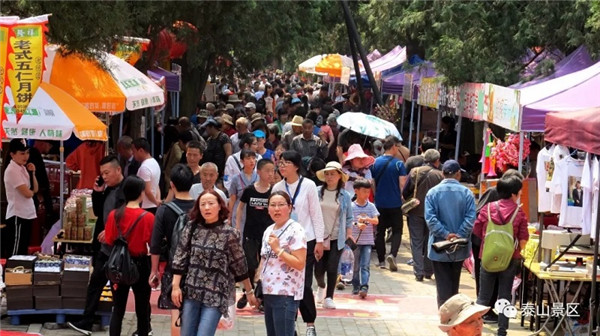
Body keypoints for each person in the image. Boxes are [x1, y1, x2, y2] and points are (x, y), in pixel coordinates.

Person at [171, 190, 257, 336]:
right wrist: (175, 286)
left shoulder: (230, 234)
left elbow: (240, 265)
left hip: (216, 295)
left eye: (211, 203)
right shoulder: (191, 228)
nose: (207, 208)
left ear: (219, 206)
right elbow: (180, 256)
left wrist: (249, 291)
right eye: (202, 204)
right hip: (192, 292)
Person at [68, 155, 127, 336]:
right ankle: (87, 321)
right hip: (104, 246)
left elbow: (126, 217)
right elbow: (98, 212)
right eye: (102, 173)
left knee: (119, 288)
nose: (105, 176)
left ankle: (140, 326)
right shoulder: (108, 189)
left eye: (107, 172)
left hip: (119, 247)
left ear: (118, 170)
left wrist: (111, 232)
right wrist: (97, 192)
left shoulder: (127, 189)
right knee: (96, 283)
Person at [272, 150, 324, 336]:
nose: (282, 165)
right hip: (284, 243)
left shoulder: (309, 185)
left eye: (286, 162)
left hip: (306, 241)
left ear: (296, 166)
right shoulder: (277, 186)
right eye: (280, 162)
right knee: (287, 285)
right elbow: (273, 215)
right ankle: (290, 324)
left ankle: (310, 324)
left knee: (304, 284)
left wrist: (319, 241)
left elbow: (316, 214)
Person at [473, 176, 529, 336]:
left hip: (487, 256)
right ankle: (502, 331)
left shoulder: (488, 208)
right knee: (504, 296)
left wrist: (490, 243)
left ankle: (475, 329)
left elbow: (477, 229)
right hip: (510, 259)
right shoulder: (519, 212)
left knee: (483, 297)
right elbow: (524, 239)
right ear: (515, 193)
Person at [104, 176, 155, 336]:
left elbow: (109, 239)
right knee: (142, 309)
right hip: (140, 265)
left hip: (117, 264)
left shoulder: (114, 215)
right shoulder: (148, 217)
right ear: (141, 193)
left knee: (118, 309)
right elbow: (151, 243)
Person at [149, 164, 196, 336]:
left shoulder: (163, 210)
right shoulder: (202, 208)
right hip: (198, 269)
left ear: (172, 185)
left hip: (173, 266)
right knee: (195, 312)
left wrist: (154, 271)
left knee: (176, 311)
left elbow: (155, 244)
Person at [425, 160, 476, 307]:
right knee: (454, 283)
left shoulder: (432, 193)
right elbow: (470, 218)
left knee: (442, 284)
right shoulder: (467, 193)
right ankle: (454, 314)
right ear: (458, 174)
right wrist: (458, 235)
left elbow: (431, 219)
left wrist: (446, 234)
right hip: (459, 247)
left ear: (442, 173)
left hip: (438, 246)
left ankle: (445, 312)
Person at [259, 191, 307, 336]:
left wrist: (278, 250)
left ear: (290, 207)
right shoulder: (269, 230)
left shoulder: (296, 230)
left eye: (281, 205)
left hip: (286, 293)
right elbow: (263, 260)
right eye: (272, 205)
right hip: (268, 292)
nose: (276, 209)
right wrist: (257, 285)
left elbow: (300, 263)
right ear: (268, 209)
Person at [235, 158, 274, 309]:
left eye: (272, 171)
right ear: (259, 172)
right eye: (267, 171)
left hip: (268, 235)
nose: (271, 174)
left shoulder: (274, 191)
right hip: (250, 233)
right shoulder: (250, 190)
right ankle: (247, 292)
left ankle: (261, 298)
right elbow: (240, 207)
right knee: (251, 265)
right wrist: (238, 226)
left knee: (266, 267)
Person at [314, 162, 353, 309]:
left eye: (333, 174)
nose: (329, 177)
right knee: (318, 269)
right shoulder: (317, 192)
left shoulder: (345, 196)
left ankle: (329, 297)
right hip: (318, 237)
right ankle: (321, 285)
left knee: (332, 267)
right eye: (327, 174)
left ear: (339, 176)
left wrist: (349, 233)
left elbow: (349, 217)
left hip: (337, 237)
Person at [402, 149, 444, 282]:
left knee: (416, 241)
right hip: (433, 213)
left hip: (416, 211)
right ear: (437, 161)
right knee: (429, 241)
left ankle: (418, 272)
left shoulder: (415, 171)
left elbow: (405, 191)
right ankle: (428, 270)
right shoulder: (440, 175)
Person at [370, 135, 407, 271]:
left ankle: (381, 260)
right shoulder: (398, 164)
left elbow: (373, 183)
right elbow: (402, 184)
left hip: (379, 203)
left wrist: (377, 195)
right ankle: (392, 254)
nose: (398, 149)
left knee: (380, 231)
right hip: (395, 203)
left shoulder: (375, 163)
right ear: (392, 147)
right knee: (397, 230)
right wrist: (402, 198)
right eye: (397, 147)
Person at [4, 139, 37, 257]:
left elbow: (35, 189)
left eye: (27, 153)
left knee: (23, 248)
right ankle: (12, 273)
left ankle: (21, 273)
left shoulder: (23, 168)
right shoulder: (12, 170)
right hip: (17, 215)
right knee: (16, 250)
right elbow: (27, 193)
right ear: (12, 154)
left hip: (27, 213)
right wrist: (31, 192)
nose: (26, 156)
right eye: (22, 153)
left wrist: (33, 173)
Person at [350, 178, 380, 299]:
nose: (366, 195)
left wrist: (367, 219)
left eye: (368, 192)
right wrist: (357, 224)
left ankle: (364, 286)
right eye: (364, 192)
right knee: (355, 264)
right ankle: (355, 285)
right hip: (355, 240)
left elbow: (376, 221)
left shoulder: (371, 206)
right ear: (356, 191)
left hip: (368, 240)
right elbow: (349, 222)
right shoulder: (351, 206)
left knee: (365, 264)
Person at [228, 149, 259, 234]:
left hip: (255, 213)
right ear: (242, 161)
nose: (252, 161)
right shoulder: (236, 178)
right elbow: (232, 199)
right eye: (248, 158)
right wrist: (229, 216)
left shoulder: (259, 177)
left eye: (253, 158)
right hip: (239, 213)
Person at [133, 138, 162, 214]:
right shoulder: (154, 162)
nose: (133, 155)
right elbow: (156, 185)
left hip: (146, 206)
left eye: (134, 152)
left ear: (141, 151)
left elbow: (147, 191)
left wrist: (156, 202)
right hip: (153, 204)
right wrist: (157, 200)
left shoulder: (144, 168)